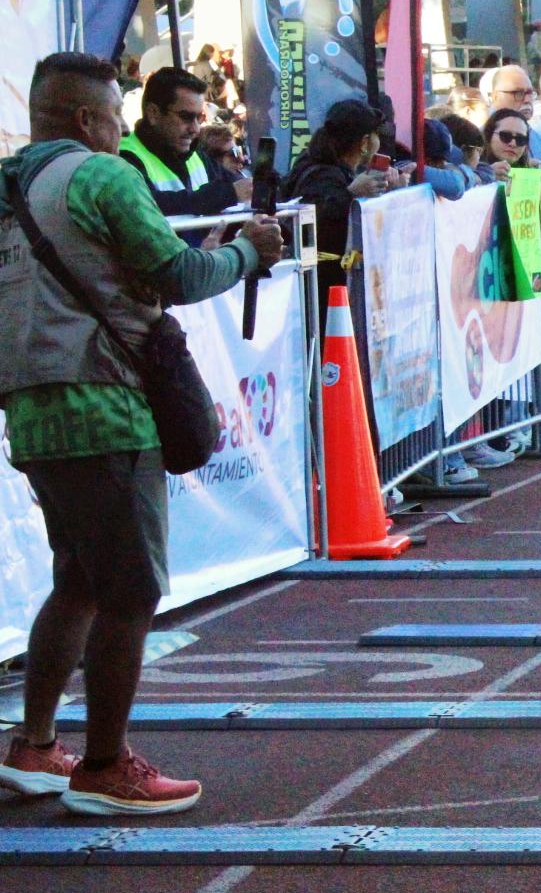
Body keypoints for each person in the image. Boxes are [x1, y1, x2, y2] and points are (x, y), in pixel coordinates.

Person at [0, 52, 284, 814]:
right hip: (106, 405)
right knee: (131, 591)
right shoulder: (103, 176)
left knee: (78, 579)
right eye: (116, 117)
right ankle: (105, 765)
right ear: (90, 120)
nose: (119, 131)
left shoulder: (9, 187)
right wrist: (247, 251)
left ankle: (34, 745)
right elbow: (178, 275)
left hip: (29, 408)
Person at [286, 98, 398, 299]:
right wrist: (351, 193)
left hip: (325, 283)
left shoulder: (320, 165)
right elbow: (314, 215)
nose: (379, 143)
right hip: (322, 288)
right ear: (364, 143)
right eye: (377, 136)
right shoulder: (322, 173)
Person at [120, 67, 248, 219]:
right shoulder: (124, 157)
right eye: (186, 117)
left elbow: (238, 186)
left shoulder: (195, 154)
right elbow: (146, 206)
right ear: (153, 113)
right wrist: (224, 195)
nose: (195, 128)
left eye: (199, 118)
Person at [479, 107, 537, 182]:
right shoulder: (469, 167)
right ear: (489, 136)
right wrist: (485, 176)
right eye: (505, 136)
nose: (513, 144)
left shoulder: (528, 172)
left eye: (520, 139)